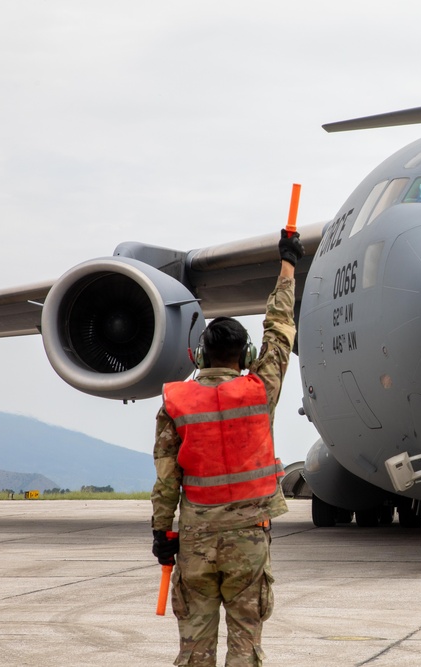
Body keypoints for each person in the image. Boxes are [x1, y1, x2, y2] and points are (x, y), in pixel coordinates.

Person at [151, 229, 304, 667]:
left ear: (200, 356)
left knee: (194, 650)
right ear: (246, 354)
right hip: (248, 542)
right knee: (246, 646)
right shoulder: (260, 391)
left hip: (195, 542)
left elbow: (166, 480)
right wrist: (287, 264)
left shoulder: (175, 404)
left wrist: (162, 534)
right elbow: (280, 329)